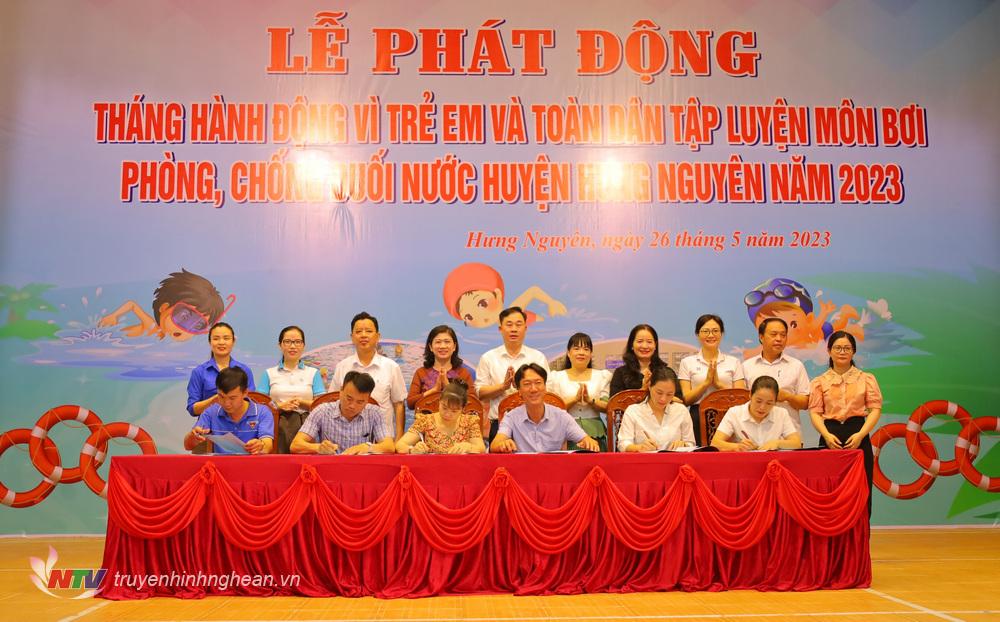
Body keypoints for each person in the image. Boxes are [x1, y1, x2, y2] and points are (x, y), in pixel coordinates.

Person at [808, 330, 882, 514]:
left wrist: (861, 434)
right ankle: (831, 529)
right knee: (829, 488)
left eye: (847, 348)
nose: (842, 352)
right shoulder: (819, 382)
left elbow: (875, 409)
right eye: (838, 348)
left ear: (853, 352)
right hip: (830, 435)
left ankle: (860, 530)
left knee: (861, 487)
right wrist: (826, 435)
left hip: (858, 434)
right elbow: (815, 412)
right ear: (829, 351)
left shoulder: (866, 379)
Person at [476, 307, 550, 441]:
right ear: (500, 329)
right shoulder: (488, 358)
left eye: (518, 324)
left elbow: (547, 391)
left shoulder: (537, 357)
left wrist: (523, 387)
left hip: (534, 424)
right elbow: (480, 393)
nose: (514, 329)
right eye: (509, 325)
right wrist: (503, 387)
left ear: (525, 328)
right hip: (499, 424)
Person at [329, 312, 407, 439]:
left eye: (369, 331)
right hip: (346, 438)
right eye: (358, 331)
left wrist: (398, 440)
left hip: (382, 440)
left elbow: (399, 404)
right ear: (352, 337)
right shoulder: (342, 367)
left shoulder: (391, 367)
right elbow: (333, 401)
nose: (363, 335)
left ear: (378, 336)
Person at [99, 268, 234, 341]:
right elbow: (132, 305)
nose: (185, 328)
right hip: (110, 339)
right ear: (164, 308)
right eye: (184, 316)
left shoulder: (165, 340)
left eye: (198, 325)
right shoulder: (152, 327)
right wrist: (113, 316)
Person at [490, 364, 600, 453]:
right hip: (522, 471)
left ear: (545, 388)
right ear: (519, 391)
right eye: (527, 384)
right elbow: (494, 445)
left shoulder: (561, 416)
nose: (533, 389)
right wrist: (502, 444)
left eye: (538, 383)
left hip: (554, 471)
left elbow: (588, 440)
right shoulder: (511, 417)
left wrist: (589, 443)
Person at [291, 371, 395, 455]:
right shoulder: (322, 411)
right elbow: (295, 445)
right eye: (349, 399)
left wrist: (367, 447)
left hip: (361, 468)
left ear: (367, 400)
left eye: (360, 402)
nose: (352, 406)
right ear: (341, 391)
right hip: (329, 468)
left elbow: (389, 446)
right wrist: (318, 447)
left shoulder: (374, 412)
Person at [678, 314, 746, 442]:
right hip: (698, 416)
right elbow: (686, 400)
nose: (711, 335)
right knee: (701, 452)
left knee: (729, 452)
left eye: (715, 331)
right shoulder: (687, 362)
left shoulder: (734, 362)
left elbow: (741, 399)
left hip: (729, 415)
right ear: (697, 334)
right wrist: (706, 383)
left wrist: (719, 384)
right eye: (705, 331)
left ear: (721, 334)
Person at [741, 317, 812, 440]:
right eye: (773, 334)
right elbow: (741, 401)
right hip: (754, 437)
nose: (779, 339)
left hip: (788, 437)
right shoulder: (747, 366)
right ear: (761, 337)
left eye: (783, 335)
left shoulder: (796, 365)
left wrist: (787, 397)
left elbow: (806, 403)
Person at [260, 326, 325, 453]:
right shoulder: (269, 373)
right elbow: (260, 404)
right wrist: (279, 406)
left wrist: (301, 402)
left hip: (307, 427)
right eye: (288, 342)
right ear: (280, 345)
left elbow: (321, 405)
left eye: (297, 342)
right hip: (278, 425)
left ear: (303, 345)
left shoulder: (313, 373)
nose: (293, 346)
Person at [442, 262, 567, 328]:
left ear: (498, 295)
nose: (480, 317)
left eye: (482, 303)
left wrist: (552, 303)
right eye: (468, 317)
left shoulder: (511, 312)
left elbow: (533, 291)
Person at [546, 333, 612, 451]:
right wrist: (574, 399)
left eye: (586, 349)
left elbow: (608, 407)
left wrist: (590, 400)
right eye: (576, 349)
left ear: (591, 354)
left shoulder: (602, 376)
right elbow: (550, 409)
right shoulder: (556, 377)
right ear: (568, 353)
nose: (581, 353)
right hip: (564, 432)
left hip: (595, 432)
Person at [185, 367, 273, 454]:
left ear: (245, 393)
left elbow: (268, 446)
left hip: (251, 462)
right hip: (221, 462)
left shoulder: (262, 412)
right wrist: (192, 437)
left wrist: (261, 445)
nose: (226, 403)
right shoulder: (211, 412)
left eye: (232, 398)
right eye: (221, 397)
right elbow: (188, 446)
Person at [711, 376, 802, 451]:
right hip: (744, 462)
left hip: (772, 462)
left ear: (775, 401)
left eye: (769, 403)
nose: (762, 407)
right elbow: (715, 443)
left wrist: (777, 443)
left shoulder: (781, 413)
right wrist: (738, 446)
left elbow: (796, 443)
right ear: (750, 395)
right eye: (758, 401)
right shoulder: (735, 413)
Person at [186, 322, 256, 417]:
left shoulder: (244, 370)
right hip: (209, 424)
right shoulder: (199, 372)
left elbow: (252, 402)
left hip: (240, 424)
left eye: (226, 338)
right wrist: (215, 399)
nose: (221, 342)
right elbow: (192, 409)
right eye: (216, 338)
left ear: (233, 341)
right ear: (210, 342)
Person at [396, 380, 486, 454]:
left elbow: (481, 448)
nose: (448, 414)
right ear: (439, 401)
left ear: (463, 408)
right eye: (444, 408)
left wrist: (469, 447)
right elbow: (400, 445)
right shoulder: (425, 421)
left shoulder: (469, 422)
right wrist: (412, 450)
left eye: (454, 411)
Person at [617, 367, 694, 452]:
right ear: (650, 386)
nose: (663, 399)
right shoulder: (633, 411)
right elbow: (623, 444)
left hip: (674, 460)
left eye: (669, 394)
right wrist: (639, 447)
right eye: (659, 393)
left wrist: (684, 445)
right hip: (644, 459)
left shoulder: (681, 411)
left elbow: (691, 443)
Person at [406, 325, 475, 410]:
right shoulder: (421, 372)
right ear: (430, 347)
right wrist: (434, 390)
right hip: (426, 418)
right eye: (438, 342)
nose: (442, 346)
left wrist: (448, 386)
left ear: (454, 346)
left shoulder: (463, 373)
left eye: (447, 342)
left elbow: (473, 404)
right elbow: (410, 403)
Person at [609, 324, 674, 397]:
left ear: (655, 345)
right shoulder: (620, 373)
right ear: (631, 345)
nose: (645, 346)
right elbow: (614, 402)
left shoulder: (666, 372)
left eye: (649, 342)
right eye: (640, 341)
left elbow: (679, 400)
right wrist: (643, 390)